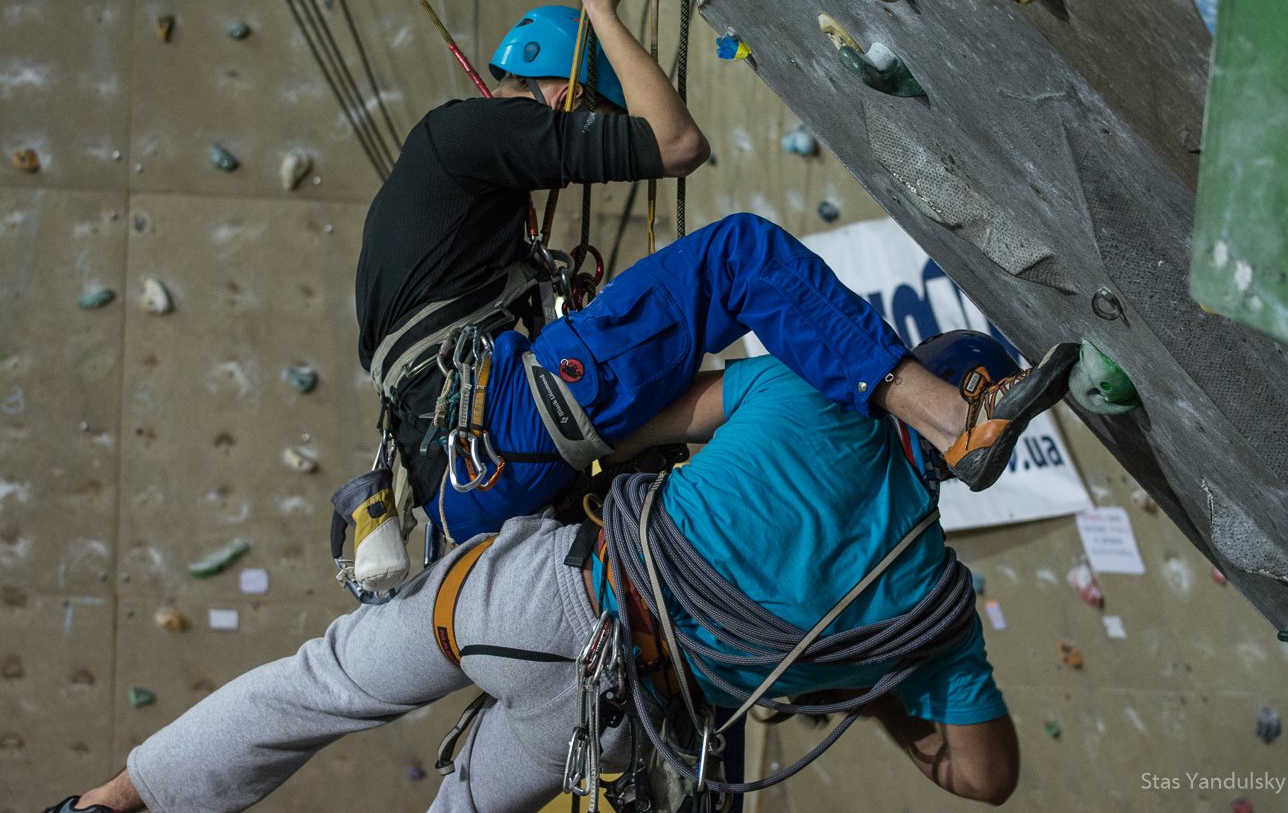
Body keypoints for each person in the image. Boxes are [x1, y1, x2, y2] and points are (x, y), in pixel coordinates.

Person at [48, 333, 1020, 813]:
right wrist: (874, 683)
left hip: (545, 596)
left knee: (324, 686)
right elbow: (985, 779)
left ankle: (107, 810)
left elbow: (645, 421)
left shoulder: (803, 395)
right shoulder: (932, 610)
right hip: (613, 709)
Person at [352, 0, 1079, 575]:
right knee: (737, 255)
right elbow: (674, 144)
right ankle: (955, 422)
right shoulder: (471, 129)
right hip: (505, 422)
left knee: (751, 386)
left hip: (467, 488)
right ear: (567, 95)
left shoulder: (442, 220)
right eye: (596, 121)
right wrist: (601, 9)